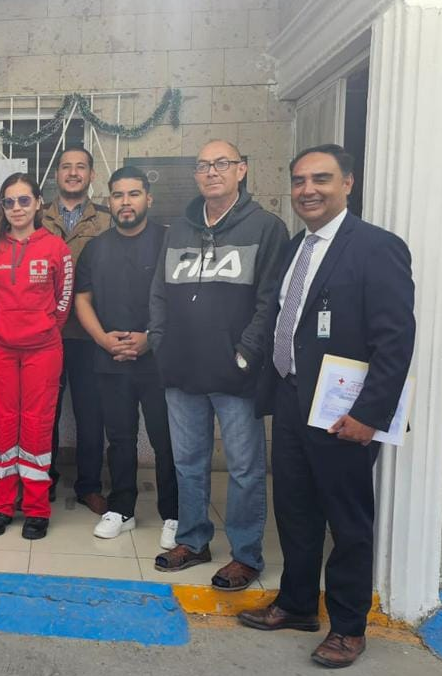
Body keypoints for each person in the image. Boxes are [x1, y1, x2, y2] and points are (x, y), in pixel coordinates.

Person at [238, 145, 415, 669]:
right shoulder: (298, 246)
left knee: (348, 520)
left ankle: (348, 627)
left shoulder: (376, 247)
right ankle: (295, 604)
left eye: (320, 179)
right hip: (293, 401)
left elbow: (396, 341)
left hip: (345, 413)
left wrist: (369, 415)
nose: (308, 190)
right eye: (298, 181)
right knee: (294, 510)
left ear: (348, 183)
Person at [148, 140, 289, 590]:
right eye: (204, 165)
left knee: (246, 468)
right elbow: (158, 291)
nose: (212, 172)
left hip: (236, 371)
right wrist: (159, 341)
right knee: (188, 462)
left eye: (222, 164)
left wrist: (246, 352)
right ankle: (193, 540)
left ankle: (246, 555)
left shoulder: (267, 228)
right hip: (182, 369)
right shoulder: (179, 230)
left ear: (242, 170)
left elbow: (271, 301)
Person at [74, 166, 178, 549]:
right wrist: (103, 339)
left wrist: (151, 338)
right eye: (118, 195)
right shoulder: (96, 247)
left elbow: (181, 299)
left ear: (148, 198)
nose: (126, 202)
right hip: (111, 359)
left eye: (133, 194)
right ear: (109, 201)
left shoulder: (169, 242)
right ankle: (122, 509)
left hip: (158, 360)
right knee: (118, 438)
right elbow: (82, 299)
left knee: (165, 439)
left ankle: (174, 513)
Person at [0, 173, 73, 540]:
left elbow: (63, 301)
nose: (16, 208)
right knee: (2, 424)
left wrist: (44, 327)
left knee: (36, 426)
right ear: (2, 207)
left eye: (23, 200)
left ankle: (36, 509)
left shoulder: (56, 248)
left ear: (38, 204)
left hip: (43, 350)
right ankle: (1, 506)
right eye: (9, 202)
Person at [40, 146, 111, 510]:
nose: (72, 173)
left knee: (90, 411)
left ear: (91, 175)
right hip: (44, 333)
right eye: (66, 167)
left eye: (80, 167)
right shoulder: (37, 217)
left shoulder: (107, 220)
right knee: (45, 411)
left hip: (88, 332)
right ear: (57, 175)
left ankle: (89, 485)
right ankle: (43, 480)